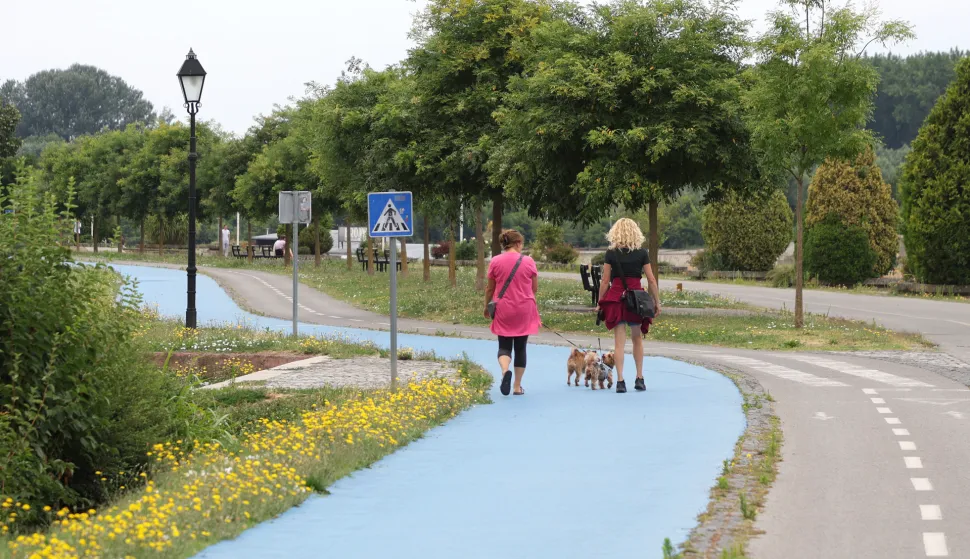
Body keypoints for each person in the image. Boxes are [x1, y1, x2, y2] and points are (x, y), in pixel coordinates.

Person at [597, 218, 662, 393]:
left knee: (619, 343)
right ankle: (639, 378)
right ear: (635, 232)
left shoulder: (611, 253)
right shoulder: (642, 253)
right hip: (636, 300)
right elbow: (651, 279)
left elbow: (604, 281)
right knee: (637, 338)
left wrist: (599, 302)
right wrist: (656, 301)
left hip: (617, 298)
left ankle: (620, 380)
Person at [484, 229, 540, 396]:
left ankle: (504, 371)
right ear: (517, 243)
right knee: (521, 348)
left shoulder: (495, 261)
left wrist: (486, 306)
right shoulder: (529, 261)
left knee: (504, 346)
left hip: (503, 309)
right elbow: (534, 287)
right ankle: (516, 386)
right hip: (524, 308)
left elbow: (490, 288)